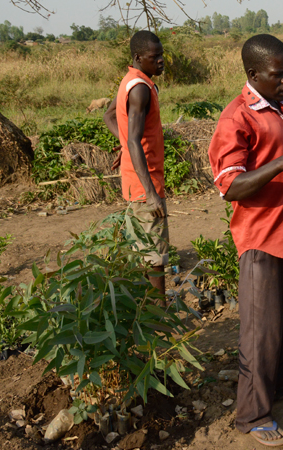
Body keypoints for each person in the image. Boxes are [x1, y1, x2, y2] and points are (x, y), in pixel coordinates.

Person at [208, 34, 283, 447]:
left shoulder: (281, 109)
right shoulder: (237, 118)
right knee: (260, 333)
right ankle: (252, 415)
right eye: (278, 74)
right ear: (253, 74)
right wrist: (282, 163)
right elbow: (230, 186)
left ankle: (280, 384)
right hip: (261, 240)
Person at [103, 30, 168, 296]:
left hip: (138, 179)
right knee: (154, 256)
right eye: (155, 57)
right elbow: (133, 139)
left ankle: (148, 312)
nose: (162, 61)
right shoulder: (140, 88)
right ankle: (159, 316)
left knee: (143, 248)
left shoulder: (132, 80)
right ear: (139, 57)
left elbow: (109, 116)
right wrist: (151, 194)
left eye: (162, 55)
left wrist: (127, 146)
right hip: (145, 184)